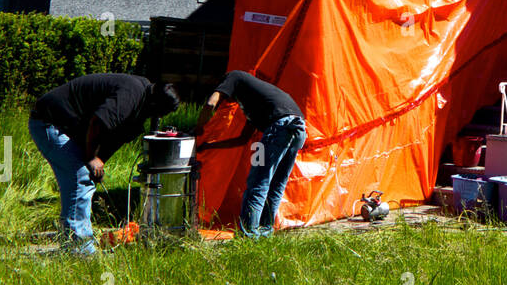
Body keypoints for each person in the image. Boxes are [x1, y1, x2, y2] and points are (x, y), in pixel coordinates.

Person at [28, 73, 180, 254]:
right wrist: (91, 158)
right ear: (155, 104)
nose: (157, 117)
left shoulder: (143, 102)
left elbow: (119, 136)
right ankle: (79, 250)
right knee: (80, 177)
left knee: (85, 175)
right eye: (160, 113)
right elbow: (98, 122)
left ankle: (76, 243)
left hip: (68, 127)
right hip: (49, 121)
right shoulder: (131, 95)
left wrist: (99, 161)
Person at [195, 70, 306, 238]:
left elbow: (210, 104)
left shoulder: (234, 76)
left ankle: (248, 234)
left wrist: (198, 129)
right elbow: (242, 139)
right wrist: (210, 145)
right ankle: (265, 231)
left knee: (258, 181)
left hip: (279, 127)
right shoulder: (255, 103)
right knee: (277, 183)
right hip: (298, 129)